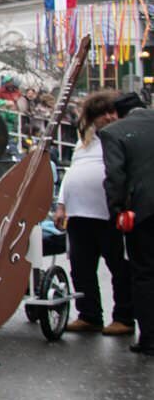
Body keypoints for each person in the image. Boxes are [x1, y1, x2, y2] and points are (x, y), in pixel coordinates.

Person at [54, 91, 133, 335]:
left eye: (112, 112)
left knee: (119, 268)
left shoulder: (121, 138)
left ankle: (124, 317)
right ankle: (89, 314)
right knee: (81, 267)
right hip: (79, 213)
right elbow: (71, 172)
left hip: (108, 212)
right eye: (102, 114)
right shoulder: (83, 142)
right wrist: (61, 204)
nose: (108, 117)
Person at [99, 91, 154, 355]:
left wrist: (117, 210)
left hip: (142, 212)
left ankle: (150, 339)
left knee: (144, 273)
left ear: (116, 114)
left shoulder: (114, 132)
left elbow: (115, 176)